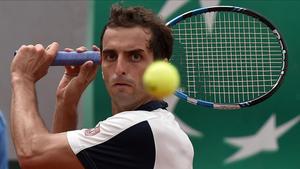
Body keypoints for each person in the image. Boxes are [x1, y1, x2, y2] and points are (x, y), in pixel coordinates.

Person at [10, 4, 194, 169]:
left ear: (161, 66)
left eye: (135, 56)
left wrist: (22, 78)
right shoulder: (153, 128)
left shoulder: (140, 128)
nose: (120, 69)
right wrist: (66, 103)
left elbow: (31, 153)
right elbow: (52, 164)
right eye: (111, 56)